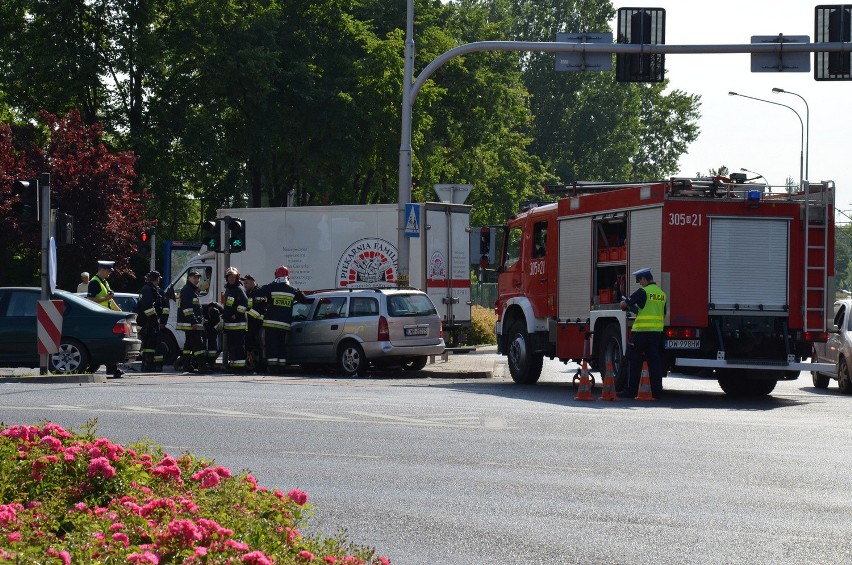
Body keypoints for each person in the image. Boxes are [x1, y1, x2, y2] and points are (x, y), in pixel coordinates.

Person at [618, 267, 667, 399]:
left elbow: (624, 304)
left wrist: (624, 303)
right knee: (654, 362)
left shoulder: (643, 291)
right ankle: (657, 391)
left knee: (633, 360)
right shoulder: (662, 294)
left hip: (641, 332)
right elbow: (662, 313)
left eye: (640, 280)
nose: (640, 283)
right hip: (656, 333)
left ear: (644, 279)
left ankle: (631, 390)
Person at [259, 266, 307, 372]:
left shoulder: (271, 287)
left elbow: (260, 291)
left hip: (271, 324)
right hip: (284, 325)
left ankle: (272, 367)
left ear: (276, 275)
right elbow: (303, 299)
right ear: (287, 277)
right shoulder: (292, 290)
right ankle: (281, 367)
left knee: (272, 346)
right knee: (281, 346)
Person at [87, 260, 123, 378]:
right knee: (105, 343)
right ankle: (111, 368)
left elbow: (110, 300)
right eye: (108, 271)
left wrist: (119, 312)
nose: (110, 273)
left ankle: (111, 368)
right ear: (102, 269)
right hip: (98, 317)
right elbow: (90, 300)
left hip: (106, 316)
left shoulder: (104, 282)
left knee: (108, 343)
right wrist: (106, 297)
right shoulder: (94, 282)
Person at [136, 271, 169, 372]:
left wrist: (161, 320)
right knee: (149, 345)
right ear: (157, 278)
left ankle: (152, 365)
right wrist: (155, 321)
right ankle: (149, 365)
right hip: (149, 322)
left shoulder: (154, 290)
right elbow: (148, 308)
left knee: (153, 344)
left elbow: (163, 306)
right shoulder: (147, 290)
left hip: (151, 322)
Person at [176, 269, 205, 373]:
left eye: (198, 278)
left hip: (189, 322)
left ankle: (186, 366)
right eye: (194, 277)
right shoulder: (188, 290)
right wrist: (193, 321)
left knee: (188, 345)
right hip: (190, 323)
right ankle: (202, 367)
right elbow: (187, 308)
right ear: (189, 278)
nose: (197, 280)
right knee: (198, 344)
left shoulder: (191, 289)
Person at [222, 266, 249, 372]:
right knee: (231, 346)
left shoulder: (239, 289)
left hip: (238, 324)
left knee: (238, 346)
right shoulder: (229, 289)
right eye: (229, 277)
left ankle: (240, 367)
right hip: (230, 324)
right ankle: (232, 364)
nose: (231, 279)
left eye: (233, 277)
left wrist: (236, 314)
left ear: (237, 277)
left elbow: (246, 304)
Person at [242, 274, 267, 372]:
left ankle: (260, 367)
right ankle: (251, 365)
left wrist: (246, 312)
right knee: (249, 345)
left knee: (259, 346)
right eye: (244, 283)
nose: (245, 285)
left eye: (247, 283)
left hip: (258, 324)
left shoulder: (259, 292)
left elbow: (260, 310)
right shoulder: (248, 292)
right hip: (250, 324)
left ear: (253, 281)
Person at [203, 301, 224, 371]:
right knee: (202, 343)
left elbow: (221, 321)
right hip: (205, 326)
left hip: (214, 325)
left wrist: (218, 328)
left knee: (213, 343)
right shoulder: (203, 309)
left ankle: (212, 362)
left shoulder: (220, 310)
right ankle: (203, 361)